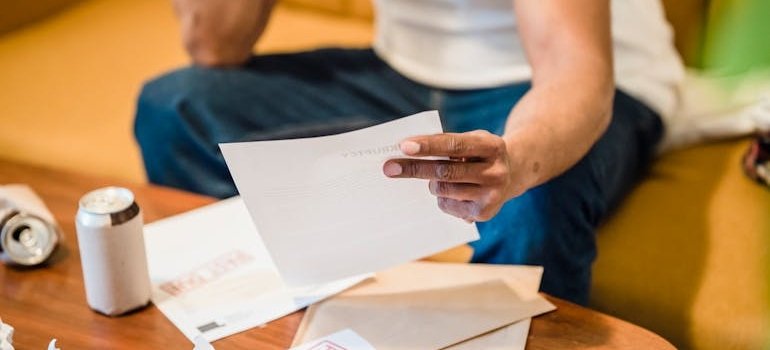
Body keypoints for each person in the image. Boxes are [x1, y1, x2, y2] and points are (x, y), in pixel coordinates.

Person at [135, 0, 684, 305]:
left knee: (530, 205)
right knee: (175, 109)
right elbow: (214, 43)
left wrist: (514, 162)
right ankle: (273, 314)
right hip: (405, 73)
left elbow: (574, 71)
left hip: (567, 85)